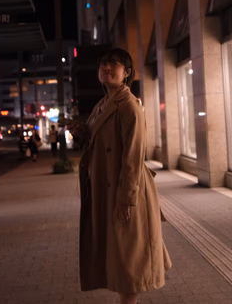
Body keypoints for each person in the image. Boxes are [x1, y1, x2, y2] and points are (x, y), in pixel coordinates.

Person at [71, 48, 171, 304]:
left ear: (126, 73)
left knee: (129, 256)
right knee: (119, 252)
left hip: (125, 189)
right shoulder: (103, 103)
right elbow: (101, 142)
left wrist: (126, 198)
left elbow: (133, 155)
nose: (106, 68)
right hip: (107, 189)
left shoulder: (129, 105)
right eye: (103, 64)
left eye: (113, 64)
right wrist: (82, 134)